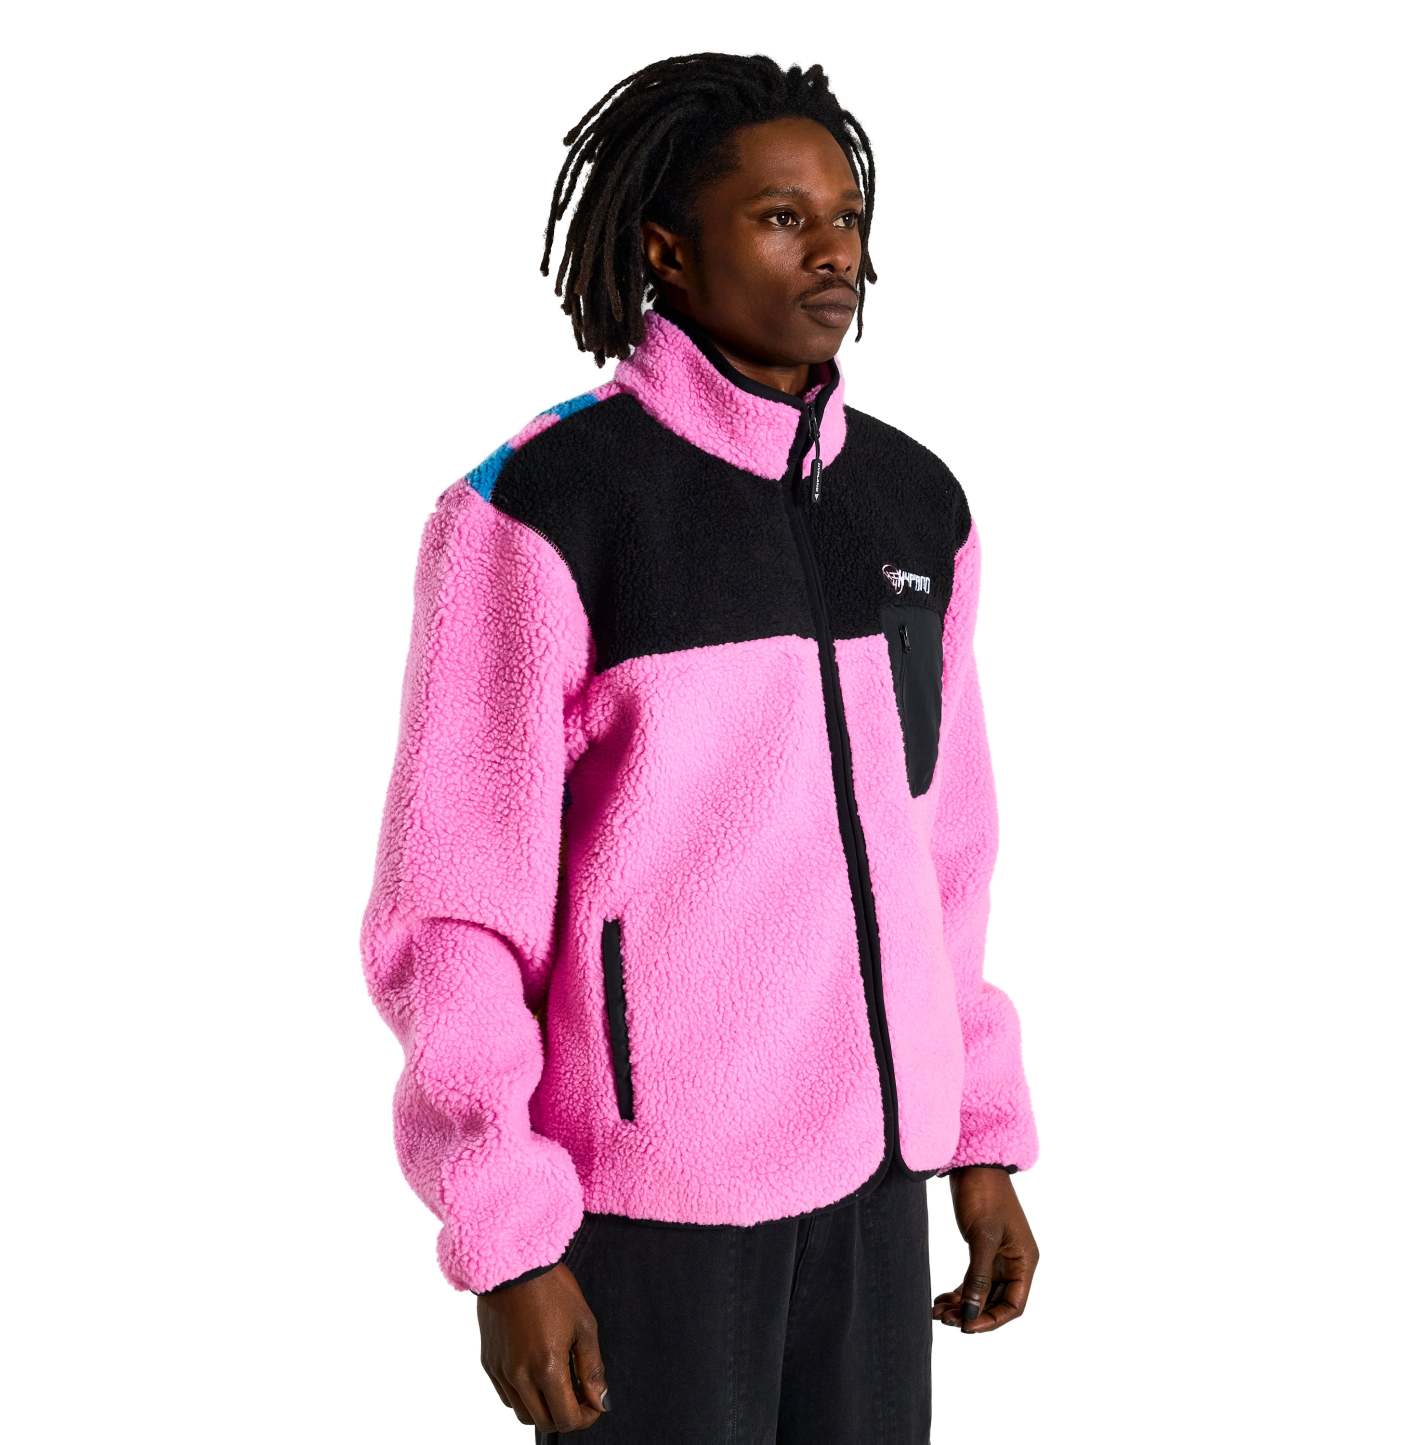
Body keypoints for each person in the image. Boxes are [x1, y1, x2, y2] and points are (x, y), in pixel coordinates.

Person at [359, 51, 1041, 1443]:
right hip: (648, 1204)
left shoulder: (915, 505)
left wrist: (976, 1134)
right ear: (666, 249)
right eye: (782, 218)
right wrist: (508, 1235)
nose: (833, 253)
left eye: (845, 218)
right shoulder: (544, 509)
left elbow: (944, 858)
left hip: (875, 1184)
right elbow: (452, 911)